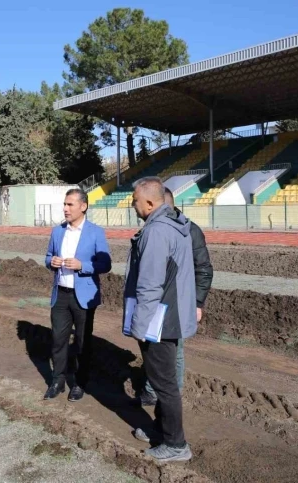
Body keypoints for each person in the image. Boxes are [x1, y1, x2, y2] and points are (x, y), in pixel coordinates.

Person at [123, 177, 196, 462]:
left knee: (164, 384)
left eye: (135, 199)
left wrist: (139, 325)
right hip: (171, 315)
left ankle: (176, 445)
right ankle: (161, 429)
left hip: (159, 321)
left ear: (150, 203)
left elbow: (150, 284)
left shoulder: (156, 231)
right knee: (164, 381)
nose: (132, 203)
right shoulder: (175, 225)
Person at [135, 187, 213, 407]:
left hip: (178, 302)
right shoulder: (156, 229)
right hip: (159, 299)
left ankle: (168, 395)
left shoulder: (190, 230)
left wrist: (197, 302)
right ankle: (155, 388)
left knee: (174, 351)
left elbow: (203, 268)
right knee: (155, 349)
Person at [44, 188, 112, 401]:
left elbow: (106, 263)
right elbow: (47, 257)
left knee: (83, 342)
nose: (65, 209)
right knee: (58, 340)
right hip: (61, 295)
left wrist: (83, 265)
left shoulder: (95, 232)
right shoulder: (57, 232)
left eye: (70, 204)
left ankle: (80, 383)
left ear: (83, 206)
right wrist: (52, 262)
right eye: (64, 204)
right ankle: (57, 380)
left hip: (83, 296)